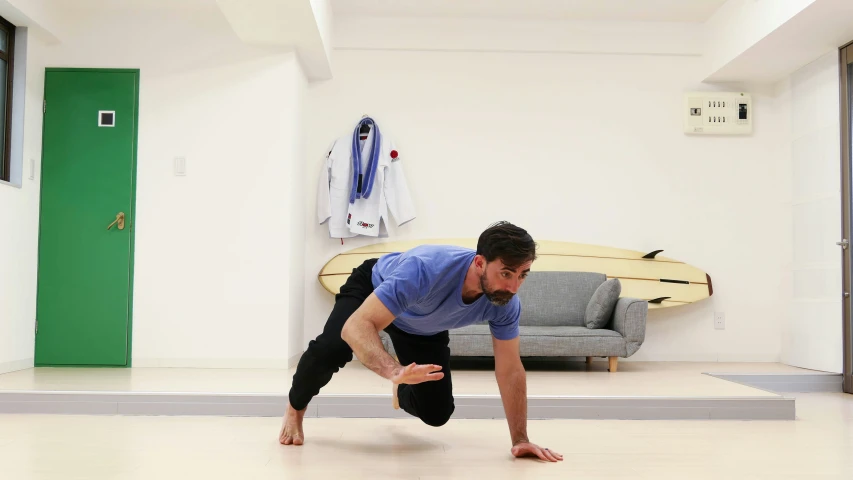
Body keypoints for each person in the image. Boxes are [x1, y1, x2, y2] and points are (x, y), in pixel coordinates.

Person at [279, 221, 563, 462]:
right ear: (479, 263)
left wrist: (520, 439)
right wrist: (394, 371)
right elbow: (356, 326)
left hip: (423, 325)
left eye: (522, 275)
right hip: (374, 288)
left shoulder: (505, 302)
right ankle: (295, 408)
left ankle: (402, 391)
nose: (513, 287)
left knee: (437, 414)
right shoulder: (425, 270)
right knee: (331, 349)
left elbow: (510, 368)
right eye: (506, 274)